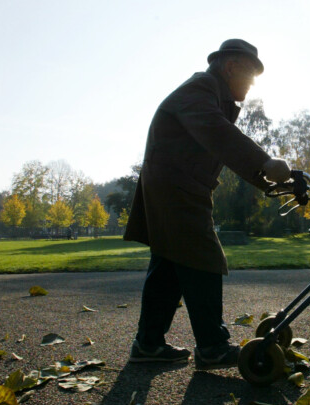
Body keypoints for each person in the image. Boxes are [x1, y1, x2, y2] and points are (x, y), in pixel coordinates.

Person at [124, 39, 290, 369]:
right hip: (176, 188)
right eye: (250, 74)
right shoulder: (201, 88)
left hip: (179, 187)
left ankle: (148, 344)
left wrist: (270, 180)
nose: (252, 83)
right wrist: (265, 162)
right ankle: (212, 346)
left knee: (169, 267)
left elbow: (221, 145)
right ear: (230, 67)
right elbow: (219, 134)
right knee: (204, 257)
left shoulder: (212, 94)